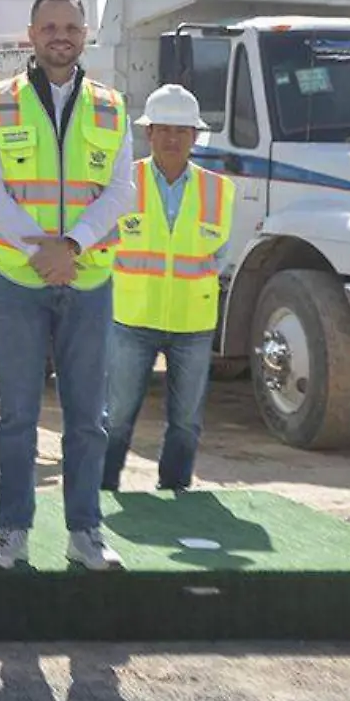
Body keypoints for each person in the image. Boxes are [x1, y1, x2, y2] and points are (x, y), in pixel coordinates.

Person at [0, 0, 135, 572]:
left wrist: (73, 246)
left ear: (85, 33)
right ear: (31, 36)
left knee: (88, 418)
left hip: (88, 281)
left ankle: (85, 532)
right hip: (16, 280)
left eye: (70, 26)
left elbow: (122, 190)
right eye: (49, 27)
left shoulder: (113, 107)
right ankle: (12, 532)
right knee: (16, 414)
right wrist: (40, 252)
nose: (60, 36)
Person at [102, 84, 234, 493]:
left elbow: (221, 256)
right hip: (132, 319)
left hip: (193, 324)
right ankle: (101, 492)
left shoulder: (219, 190)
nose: (172, 139)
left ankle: (176, 497)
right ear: (149, 133)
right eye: (164, 129)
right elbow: (103, 247)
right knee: (117, 417)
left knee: (186, 422)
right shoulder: (122, 183)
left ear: (195, 137)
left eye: (182, 131)